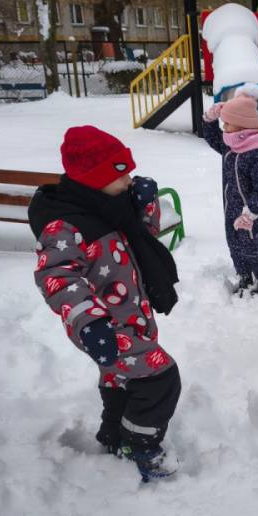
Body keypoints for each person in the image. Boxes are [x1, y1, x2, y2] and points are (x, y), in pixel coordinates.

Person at [28, 126, 181, 481]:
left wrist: (145, 205)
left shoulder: (110, 205)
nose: (129, 180)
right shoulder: (65, 226)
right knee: (160, 379)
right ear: (94, 179)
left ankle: (112, 433)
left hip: (132, 315)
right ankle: (139, 445)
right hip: (104, 327)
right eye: (121, 174)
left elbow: (142, 237)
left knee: (118, 380)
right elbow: (57, 276)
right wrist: (90, 322)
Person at [203, 93, 258, 297]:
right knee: (235, 245)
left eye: (227, 123)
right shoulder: (232, 146)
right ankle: (245, 277)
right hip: (232, 209)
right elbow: (212, 138)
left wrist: (250, 213)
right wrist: (209, 120)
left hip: (251, 214)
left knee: (253, 247)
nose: (224, 127)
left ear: (242, 126)